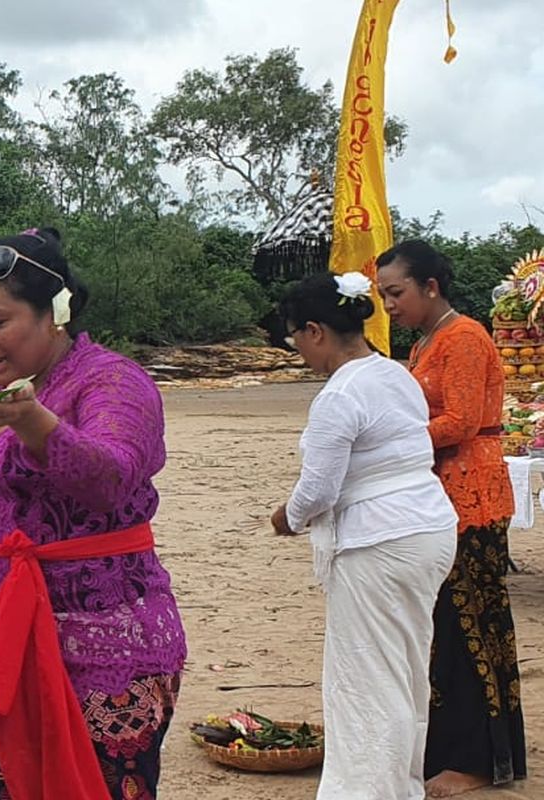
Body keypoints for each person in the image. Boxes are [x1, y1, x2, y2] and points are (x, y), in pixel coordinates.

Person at [0, 228, 185, 800]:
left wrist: (32, 423)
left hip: (102, 647)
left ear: (54, 314)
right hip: (4, 640)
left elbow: (110, 476)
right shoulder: (2, 390)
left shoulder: (113, 380)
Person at [270, 272, 459, 799]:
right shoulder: (396, 374)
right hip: (427, 529)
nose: (299, 351)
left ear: (315, 331)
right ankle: (399, 787)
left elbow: (318, 491)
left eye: (295, 339)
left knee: (364, 680)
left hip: (379, 541)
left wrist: (286, 516)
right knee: (402, 668)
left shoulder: (340, 394)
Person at [377, 240, 527, 797]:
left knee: (471, 624)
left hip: (472, 497)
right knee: (443, 625)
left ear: (430, 287)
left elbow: (461, 420)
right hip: (441, 495)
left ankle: (479, 758)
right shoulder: (425, 343)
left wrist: (388, 439)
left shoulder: (463, 338)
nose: (389, 304)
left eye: (397, 292)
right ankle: (455, 746)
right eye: (384, 294)